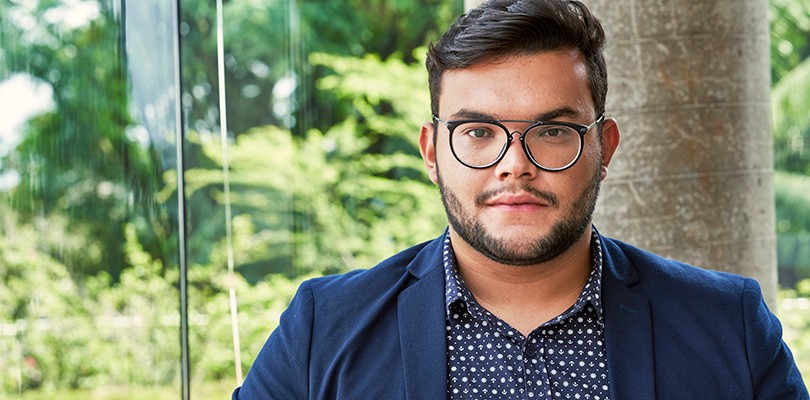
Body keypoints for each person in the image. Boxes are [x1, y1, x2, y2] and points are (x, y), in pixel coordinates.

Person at [233, 0, 809, 398]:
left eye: (553, 131)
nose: (515, 163)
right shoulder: (323, 329)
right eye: (478, 132)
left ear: (604, 147)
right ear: (432, 151)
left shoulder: (727, 326)